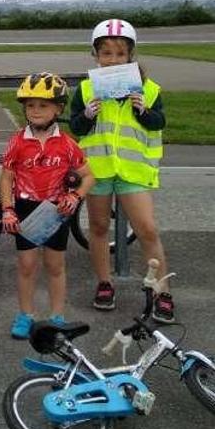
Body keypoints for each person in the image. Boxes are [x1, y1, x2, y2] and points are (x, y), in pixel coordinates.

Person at [69, 19, 174, 323]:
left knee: (147, 229)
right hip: (98, 170)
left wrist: (144, 110)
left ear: (130, 55)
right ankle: (105, 283)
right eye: (106, 53)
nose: (112, 60)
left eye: (119, 54)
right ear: (96, 56)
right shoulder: (87, 89)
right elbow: (76, 126)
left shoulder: (148, 89)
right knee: (99, 227)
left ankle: (162, 290)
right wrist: (88, 114)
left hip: (132, 170)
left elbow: (159, 123)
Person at [0, 73, 96, 339]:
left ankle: (56, 316)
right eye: (30, 105)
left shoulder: (66, 144)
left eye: (43, 105)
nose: (36, 111)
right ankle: (25, 315)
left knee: (55, 266)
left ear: (59, 108)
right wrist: (7, 209)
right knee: (27, 265)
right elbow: (7, 178)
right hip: (25, 209)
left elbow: (89, 176)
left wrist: (75, 197)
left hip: (56, 211)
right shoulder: (18, 142)